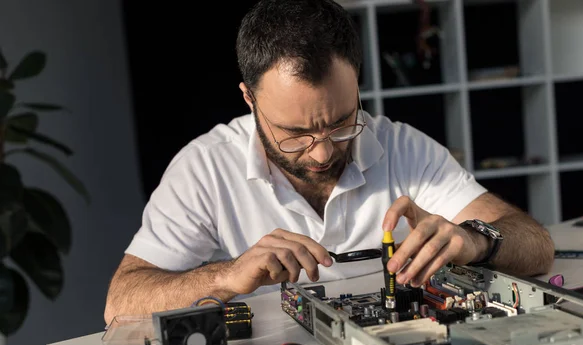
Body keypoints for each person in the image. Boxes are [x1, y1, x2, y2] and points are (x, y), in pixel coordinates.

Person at [103, 0, 554, 324]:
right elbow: (121, 302)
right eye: (295, 134)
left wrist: (476, 241)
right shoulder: (205, 168)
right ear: (249, 98)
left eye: (342, 122)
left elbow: (536, 244)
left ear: (357, 82)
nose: (322, 152)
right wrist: (228, 274)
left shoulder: (402, 148)